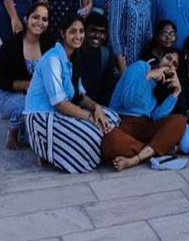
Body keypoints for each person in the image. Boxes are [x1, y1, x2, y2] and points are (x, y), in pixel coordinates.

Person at [23, 18, 119, 173]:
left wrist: (97, 108)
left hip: (61, 113)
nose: (78, 36)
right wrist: (89, 117)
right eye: (73, 31)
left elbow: (80, 96)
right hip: (43, 118)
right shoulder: (53, 59)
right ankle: (48, 152)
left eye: (81, 31)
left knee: (111, 117)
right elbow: (59, 104)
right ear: (63, 33)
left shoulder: (72, 58)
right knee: (93, 136)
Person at [102, 49, 187, 171]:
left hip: (144, 127)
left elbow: (156, 117)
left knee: (180, 121)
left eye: (175, 64)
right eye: (168, 58)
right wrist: (149, 76)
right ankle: (157, 150)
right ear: (160, 57)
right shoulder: (140, 67)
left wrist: (176, 92)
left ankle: (135, 159)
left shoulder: (162, 86)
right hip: (122, 123)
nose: (170, 64)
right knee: (111, 143)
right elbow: (127, 101)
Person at [0, 1, 53, 149]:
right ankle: (13, 131)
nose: (39, 22)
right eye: (35, 17)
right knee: (29, 105)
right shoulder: (10, 45)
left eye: (44, 19)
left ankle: (28, 132)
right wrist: (24, 85)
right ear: (26, 19)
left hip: (38, 95)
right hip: (9, 95)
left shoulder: (49, 45)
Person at [109, 0, 154, 75]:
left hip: (143, 61)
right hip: (124, 61)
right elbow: (114, 32)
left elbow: (149, 30)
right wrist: (120, 59)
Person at [77, 12, 116, 106]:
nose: (97, 36)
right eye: (93, 30)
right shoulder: (74, 53)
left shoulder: (105, 56)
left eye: (102, 32)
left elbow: (107, 90)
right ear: (85, 31)